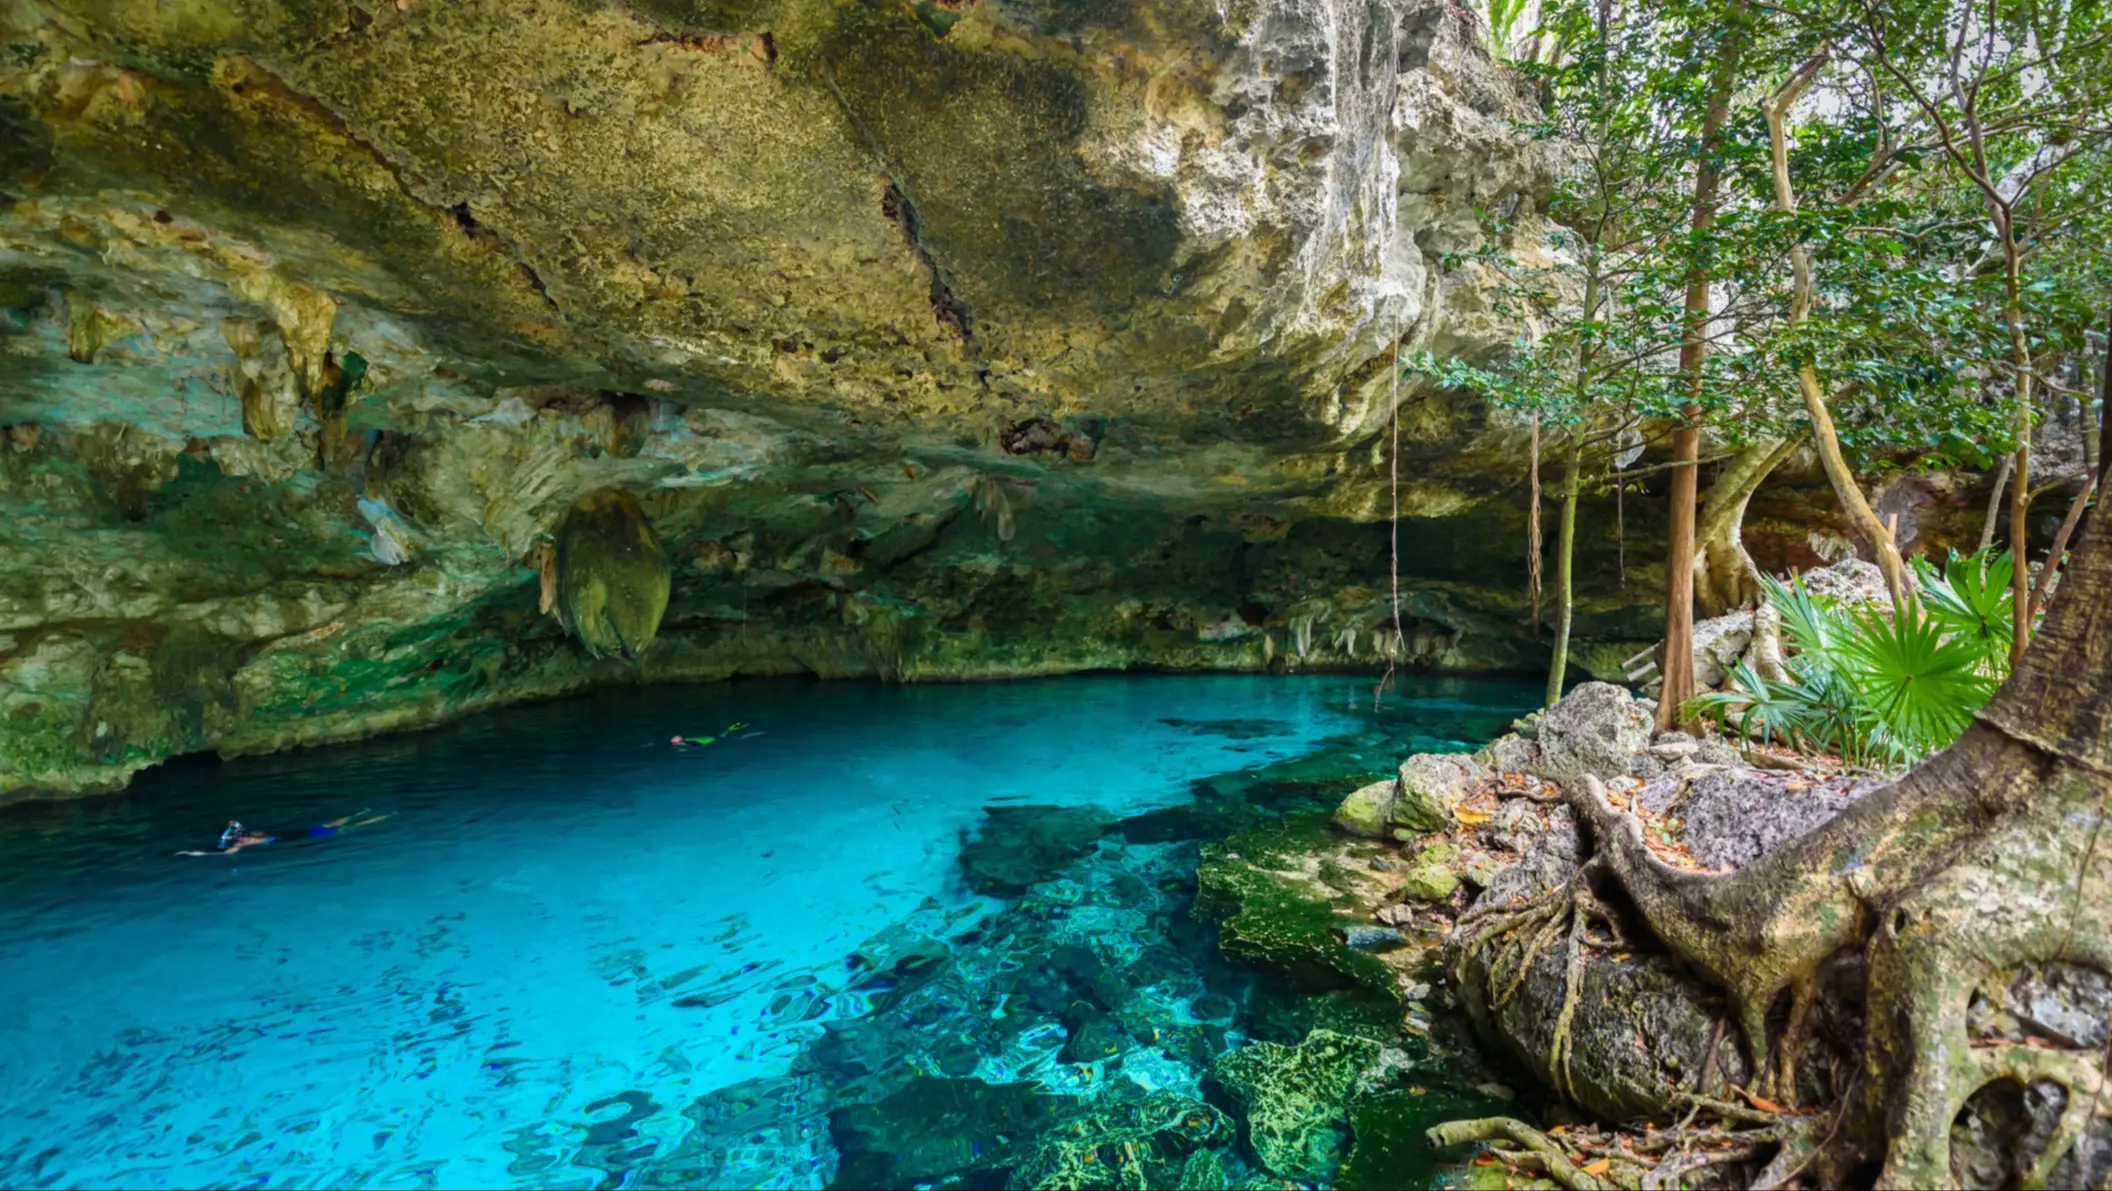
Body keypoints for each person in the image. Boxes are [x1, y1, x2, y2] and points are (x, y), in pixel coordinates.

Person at [178, 809, 390, 856]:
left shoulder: (242, 838)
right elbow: (220, 852)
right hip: (299, 833)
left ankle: (365, 813)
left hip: (300, 833)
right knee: (336, 826)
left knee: (334, 825)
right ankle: (370, 815)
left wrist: (194, 852)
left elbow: (223, 848)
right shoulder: (243, 839)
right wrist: (190, 852)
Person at [671, 722, 749, 749]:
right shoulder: (686, 740)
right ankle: (738, 726)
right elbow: (697, 744)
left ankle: (753, 732)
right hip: (713, 738)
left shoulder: (686, 742)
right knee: (727, 732)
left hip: (715, 739)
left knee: (739, 737)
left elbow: (698, 745)